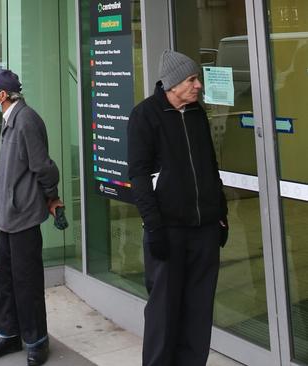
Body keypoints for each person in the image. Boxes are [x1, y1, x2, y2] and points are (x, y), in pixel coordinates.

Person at [127, 50, 228, 366]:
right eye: (192, 79)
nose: (198, 85)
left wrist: (220, 212)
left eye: (196, 79)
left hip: (205, 230)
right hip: (168, 232)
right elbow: (139, 176)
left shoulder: (196, 113)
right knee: (163, 314)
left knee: (198, 313)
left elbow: (210, 165)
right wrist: (154, 226)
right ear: (171, 84)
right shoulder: (145, 115)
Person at [0, 69, 62, 366]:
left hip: (23, 214)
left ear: (3, 95)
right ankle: (8, 334)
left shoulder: (26, 121)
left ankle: (37, 340)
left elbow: (44, 167)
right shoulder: (9, 119)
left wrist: (52, 197)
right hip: (7, 215)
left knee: (27, 282)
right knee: (6, 281)